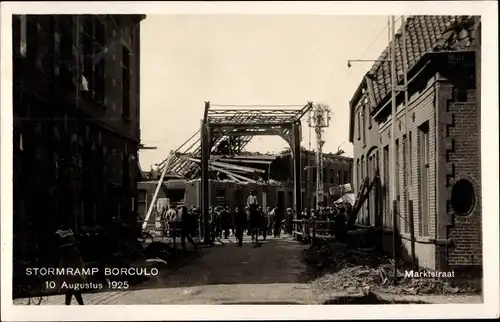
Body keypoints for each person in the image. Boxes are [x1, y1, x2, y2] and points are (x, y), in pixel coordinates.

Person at [54, 225, 85, 305]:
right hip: (68, 261)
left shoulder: (67, 232)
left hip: (70, 261)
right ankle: (78, 305)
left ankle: (73, 305)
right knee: (71, 289)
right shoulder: (60, 234)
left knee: (71, 289)